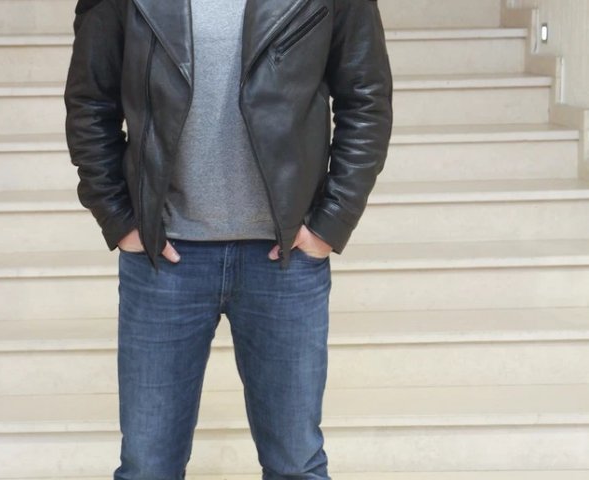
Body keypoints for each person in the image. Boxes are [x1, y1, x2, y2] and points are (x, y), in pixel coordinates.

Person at [64, 0, 393, 478]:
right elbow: (90, 102)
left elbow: (366, 97)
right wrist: (118, 217)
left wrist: (331, 221)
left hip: (283, 261)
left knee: (296, 465)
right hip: (164, 260)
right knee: (147, 468)